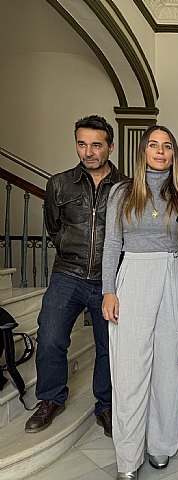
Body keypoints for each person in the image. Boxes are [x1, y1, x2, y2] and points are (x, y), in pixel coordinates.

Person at [25, 115, 125, 435]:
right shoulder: (59, 183)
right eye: (82, 144)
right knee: (50, 337)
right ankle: (51, 398)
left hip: (109, 279)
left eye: (96, 145)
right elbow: (54, 228)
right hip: (68, 273)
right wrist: (71, 251)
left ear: (110, 146)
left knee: (108, 345)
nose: (88, 152)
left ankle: (106, 405)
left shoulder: (126, 187)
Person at [101, 125, 178, 479]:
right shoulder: (121, 192)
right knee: (129, 370)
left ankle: (160, 444)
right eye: (153, 145)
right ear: (143, 152)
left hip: (174, 275)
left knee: (169, 368)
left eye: (167, 146)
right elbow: (111, 244)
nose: (160, 151)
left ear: (173, 154)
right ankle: (128, 457)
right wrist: (108, 290)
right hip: (134, 275)